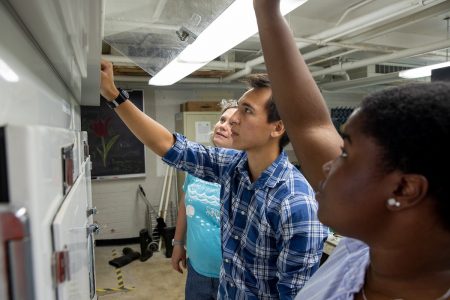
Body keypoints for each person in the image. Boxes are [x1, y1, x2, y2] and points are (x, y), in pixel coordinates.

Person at [253, 1, 450, 299]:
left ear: (403, 189)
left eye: (346, 153)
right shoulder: (367, 250)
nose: (329, 164)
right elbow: (309, 124)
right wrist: (267, 12)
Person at [100, 59, 329, 300]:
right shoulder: (232, 165)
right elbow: (167, 145)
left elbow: (296, 295)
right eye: (238, 108)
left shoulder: (295, 204)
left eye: (247, 111)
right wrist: (113, 95)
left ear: (278, 127)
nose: (234, 119)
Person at [171, 99, 238, 300]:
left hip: (232, 277)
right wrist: (178, 243)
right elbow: (185, 204)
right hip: (197, 270)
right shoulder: (199, 166)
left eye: (233, 124)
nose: (223, 126)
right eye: (222, 120)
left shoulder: (244, 174)